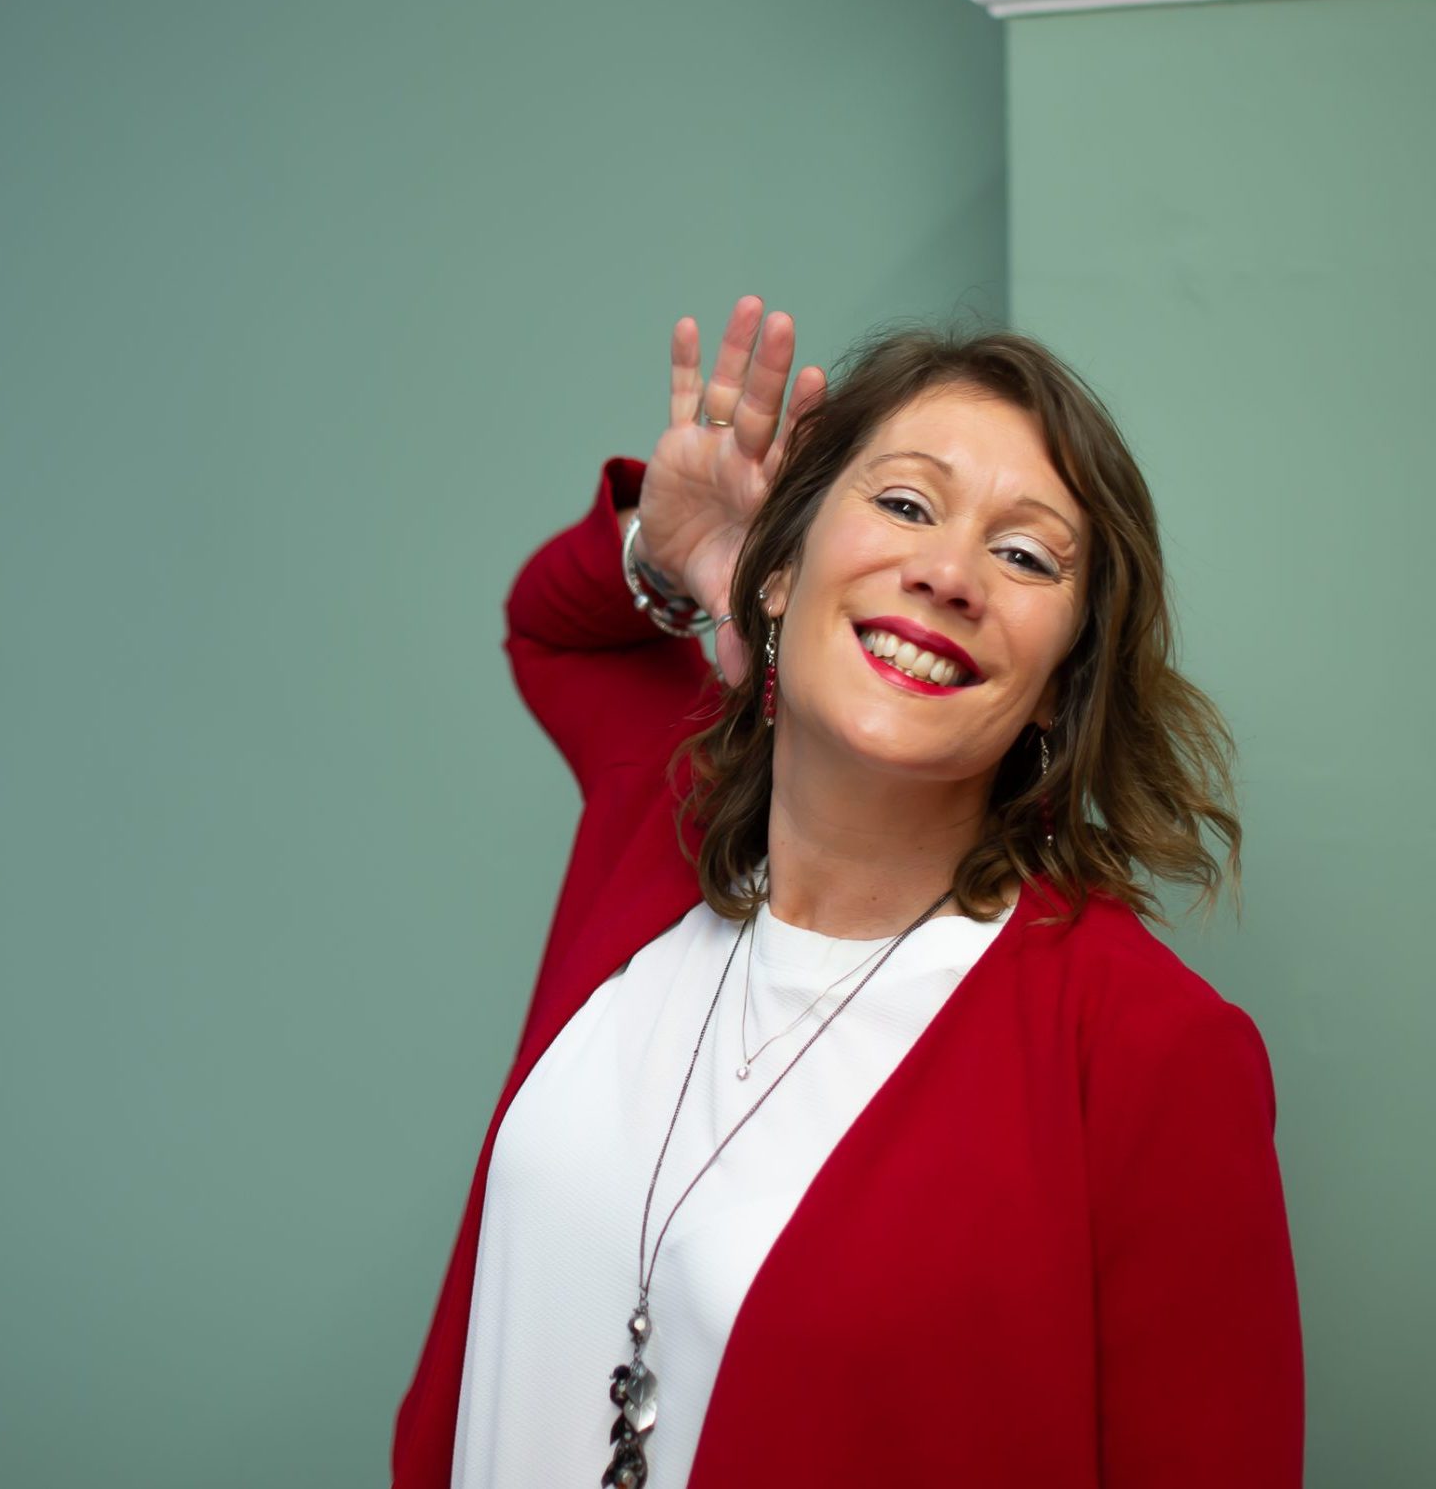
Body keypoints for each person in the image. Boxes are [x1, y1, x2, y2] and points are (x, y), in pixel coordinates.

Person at [392, 297, 1305, 1488]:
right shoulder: (655, 824)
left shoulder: (1146, 1048)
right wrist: (671, 548)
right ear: (779, 569)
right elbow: (555, 629)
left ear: (1057, 685)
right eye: (906, 503)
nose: (948, 573)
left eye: (1024, 556)